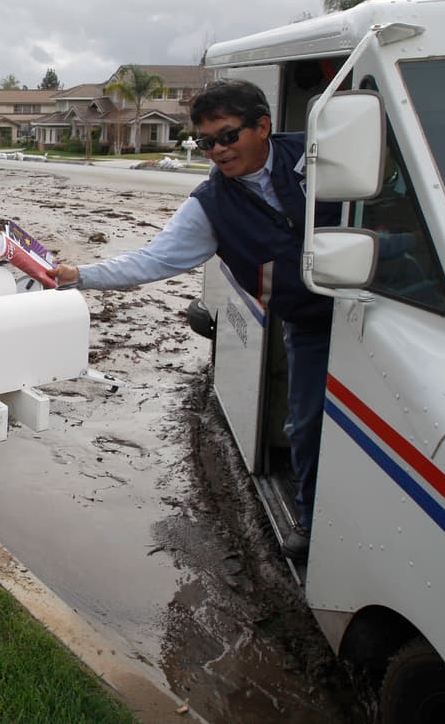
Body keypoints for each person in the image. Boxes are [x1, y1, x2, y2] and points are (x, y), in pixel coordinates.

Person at [49, 79, 339, 561]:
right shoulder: (211, 206)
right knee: (307, 425)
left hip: (379, 300)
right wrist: (76, 276)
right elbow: (152, 261)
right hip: (310, 323)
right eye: (206, 143)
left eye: (227, 136)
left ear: (263, 126)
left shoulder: (315, 154)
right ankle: (309, 522)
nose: (217, 151)